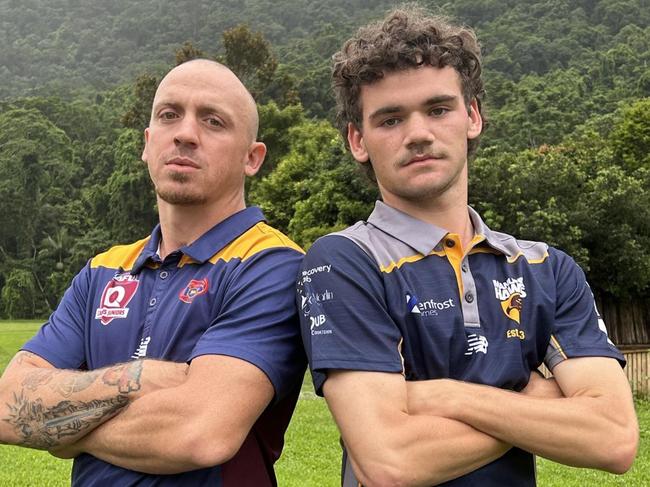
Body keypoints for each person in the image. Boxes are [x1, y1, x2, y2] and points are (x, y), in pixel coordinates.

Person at [297, 7, 639, 486]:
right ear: (358, 139)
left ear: (472, 116)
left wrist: (446, 397)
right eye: (391, 119)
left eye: (438, 109)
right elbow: (390, 461)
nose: (418, 134)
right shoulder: (344, 261)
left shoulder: (547, 267)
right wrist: (531, 402)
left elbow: (613, 438)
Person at [0, 59, 306, 486]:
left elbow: (199, 433)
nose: (184, 133)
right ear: (147, 142)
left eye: (214, 121)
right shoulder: (103, 269)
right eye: (169, 115)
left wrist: (67, 432)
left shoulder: (272, 265)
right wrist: (143, 377)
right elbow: (8, 406)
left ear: (252, 158)